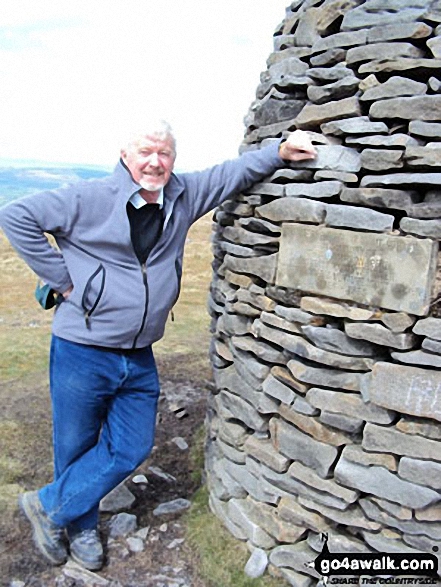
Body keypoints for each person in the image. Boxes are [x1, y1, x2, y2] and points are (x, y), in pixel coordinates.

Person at [0, 120, 316, 571]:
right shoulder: (88, 198)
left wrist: (281, 150)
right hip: (82, 348)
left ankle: (48, 508)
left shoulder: (184, 195)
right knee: (75, 443)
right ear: (125, 155)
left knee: (131, 445)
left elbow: (233, 173)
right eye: (146, 151)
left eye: (164, 152)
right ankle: (81, 526)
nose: (155, 161)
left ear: (173, 158)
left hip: (139, 353)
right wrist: (66, 283)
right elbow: (16, 217)